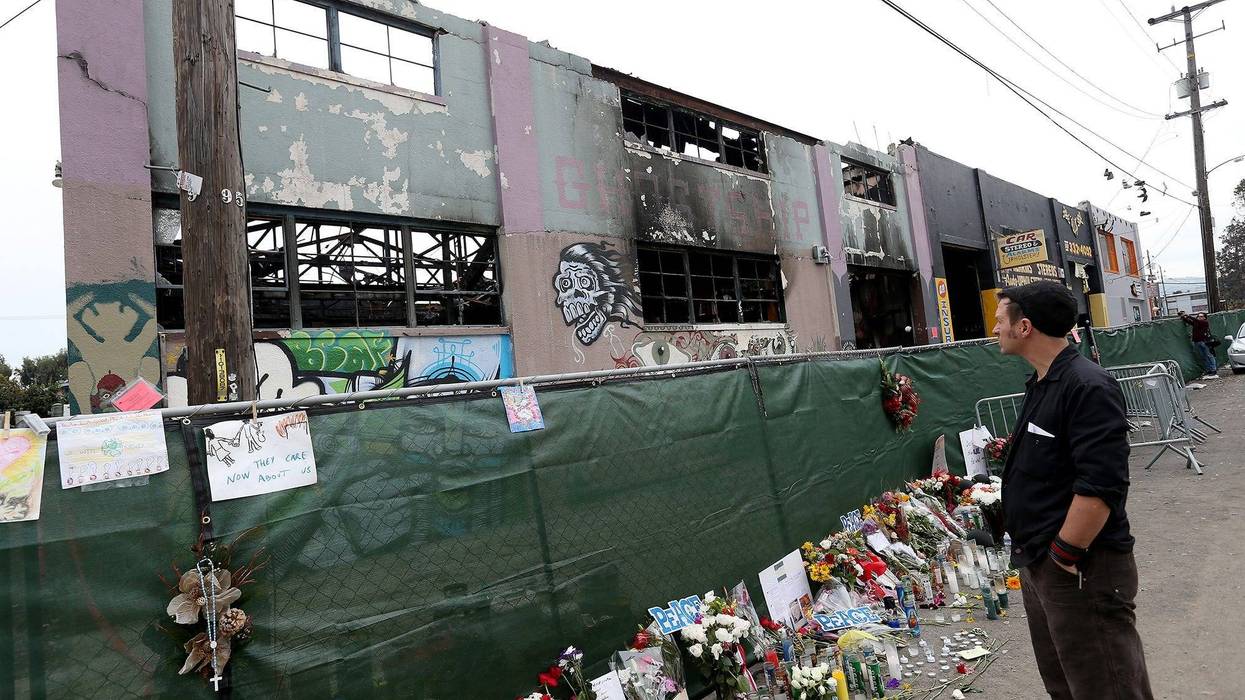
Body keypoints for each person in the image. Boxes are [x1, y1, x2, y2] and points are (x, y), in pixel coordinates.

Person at [993, 281, 1153, 700]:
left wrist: (1064, 555)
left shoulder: (1087, 385)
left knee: (1106, 685)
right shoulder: (1043, 381)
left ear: (1024, 327)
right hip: (1042, 561)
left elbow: (1101, 485)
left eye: (1000, 321)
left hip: (1081, 567)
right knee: (1067, 683)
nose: (995, 330)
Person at [1178, 310, 1219, 379]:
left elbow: (1196, 321)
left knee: (1209, 355)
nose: (1199, 317)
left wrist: (1187, 315)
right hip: (1197, 342)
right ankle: (1209, 370)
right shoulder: (1197, 322)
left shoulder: (1205, 322)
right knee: (1204, 356)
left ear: (1204, 318)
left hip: (1205, 342)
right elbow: (1190, 322)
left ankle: (1213, 370)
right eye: (1198, 316)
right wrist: (1183, 317)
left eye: (1201, 316)